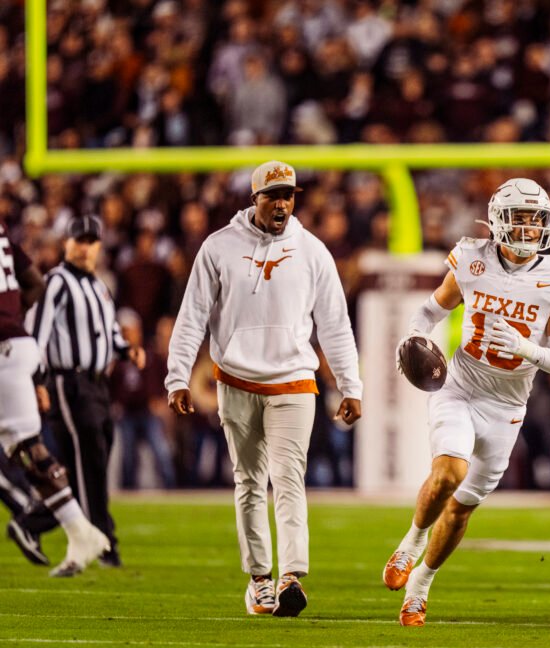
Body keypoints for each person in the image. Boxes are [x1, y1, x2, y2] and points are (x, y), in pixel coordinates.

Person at [381, 178, 550, 626]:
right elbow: (430, 310)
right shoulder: (472, 259)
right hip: (461, 386)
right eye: (521, 219)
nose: (530, 229)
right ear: (497, 222)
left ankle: (421, 586)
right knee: (449, 471)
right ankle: (410, 544)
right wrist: (415, 334)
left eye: (537, 220)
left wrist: (525, 347)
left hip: (507, 406)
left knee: (462, 508)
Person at [165, 160, 363, 618]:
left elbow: (335, 324)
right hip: (236, 379)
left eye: (289, 195)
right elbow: (192, 314)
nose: (282, 204)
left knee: (289, 477)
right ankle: (259, 581)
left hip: (294, 379)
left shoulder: (313, 251)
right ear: (253, 199)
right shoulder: (219, 247)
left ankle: (291, 574)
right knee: (249, 481)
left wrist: (351, 384)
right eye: (273, 195)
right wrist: (177, 376)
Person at [26, 215, 147, 571]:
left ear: (99, 245)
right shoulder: (57, 282)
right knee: (85, 464)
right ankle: (95, 544)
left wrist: (126, 350)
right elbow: (39, 333)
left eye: (90, 240)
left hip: (96, 384)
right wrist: (36, 380)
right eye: (78, 239)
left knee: (93, 460)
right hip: (68, 381)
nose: (84, 246)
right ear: (67, 242)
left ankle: (34, 522)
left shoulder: (97, 285)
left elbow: (109, 331)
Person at [0, 218, 111, 577]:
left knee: (30, 449)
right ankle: (77, 531)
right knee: (30, 448)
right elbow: (32, 282)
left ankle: (28, 516)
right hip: (18, 346)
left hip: (5, 349)